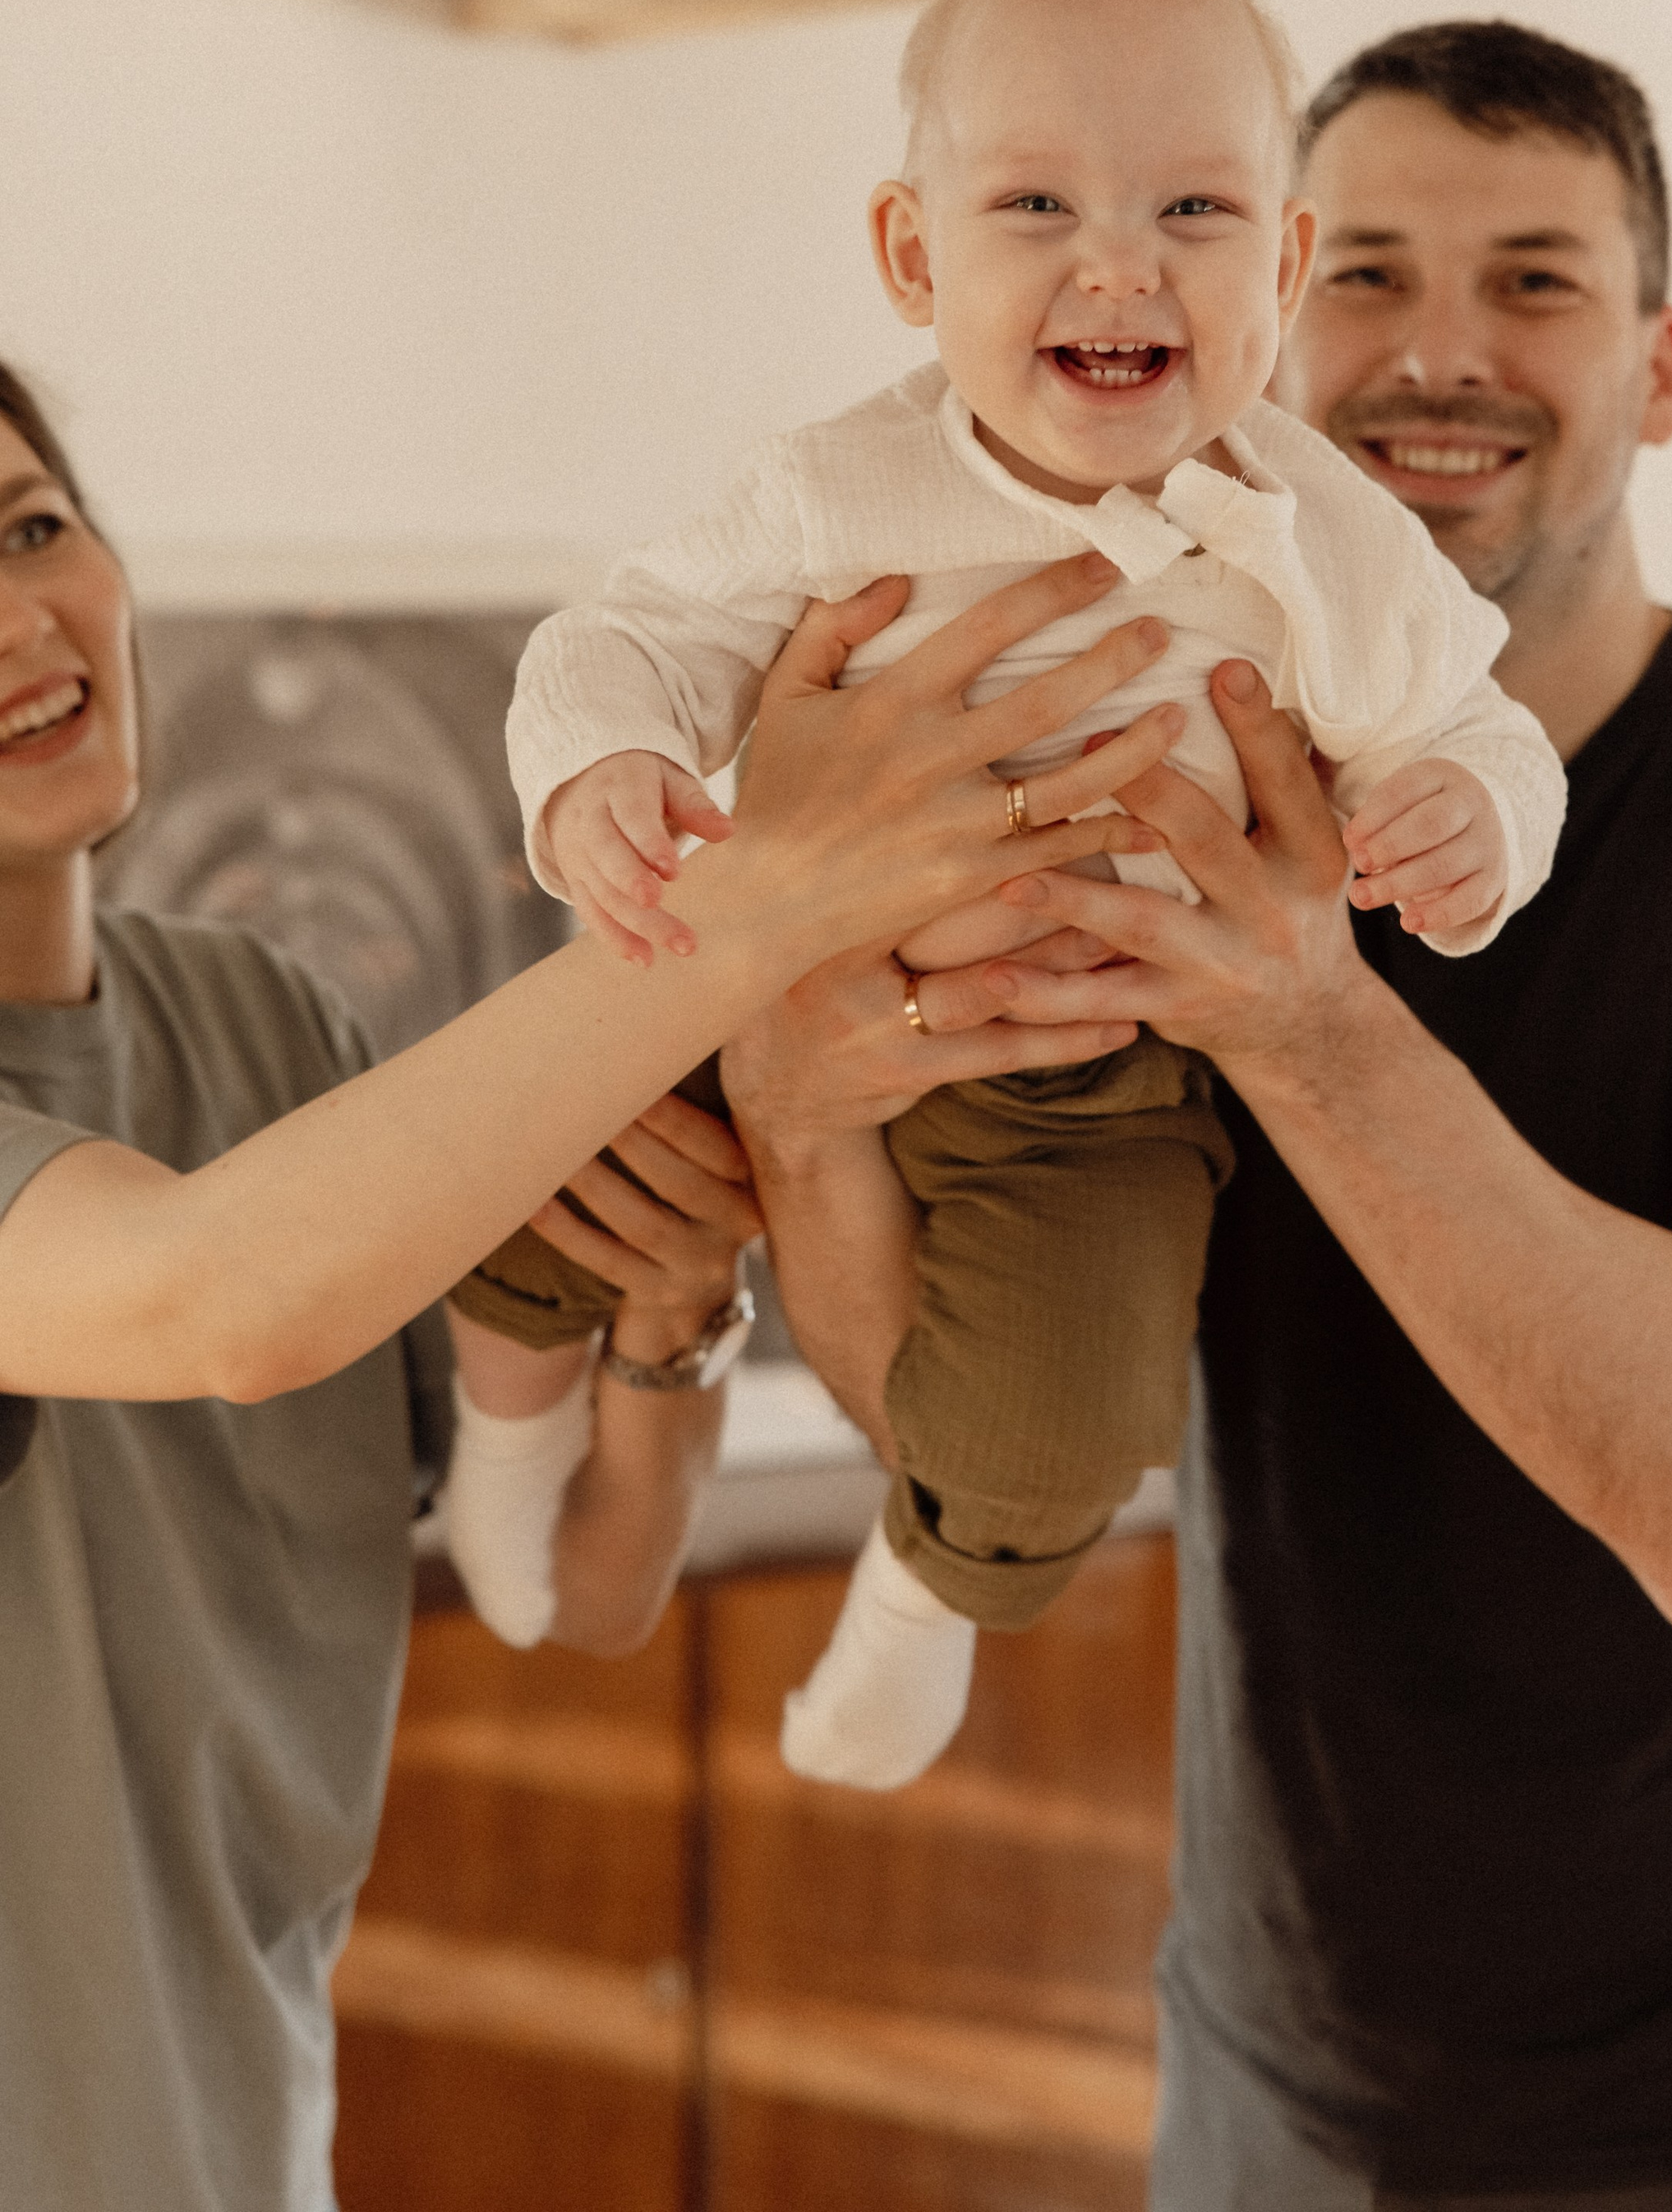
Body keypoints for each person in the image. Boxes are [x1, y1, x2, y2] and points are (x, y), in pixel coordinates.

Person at [716, 16, 1672, 2209]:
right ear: (1255, 329)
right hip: (1266, 2106)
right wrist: (796, 1101)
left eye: (1536, 280)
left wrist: (1300, 1014)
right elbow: (983, 1418)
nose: (1443, 355)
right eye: (1367, 278)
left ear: (1664, 368)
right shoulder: (1121, 806)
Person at [0, 357, 1181, 2212]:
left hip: (244, 2145)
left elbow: (580, 1588)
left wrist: (671, 1311)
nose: (19, 618)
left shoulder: (261, 1023)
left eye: (32, 527)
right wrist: (775, 890)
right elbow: (209, 1304)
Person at [463, 0, 1564, 1789]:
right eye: (1035, 205)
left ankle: (926, 1592)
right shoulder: (839, 489)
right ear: (912, 255)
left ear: (1285, 265)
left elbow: (1472, 721)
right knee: (531, 1139)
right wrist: (610, 769)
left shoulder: (1328, 533)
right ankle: (504, 1434)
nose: (1117, 261)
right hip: (768, 966)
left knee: (1073, 1409)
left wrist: (1471, 818)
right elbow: (621, 642)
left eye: (1196, 213)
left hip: (1092, 1065)